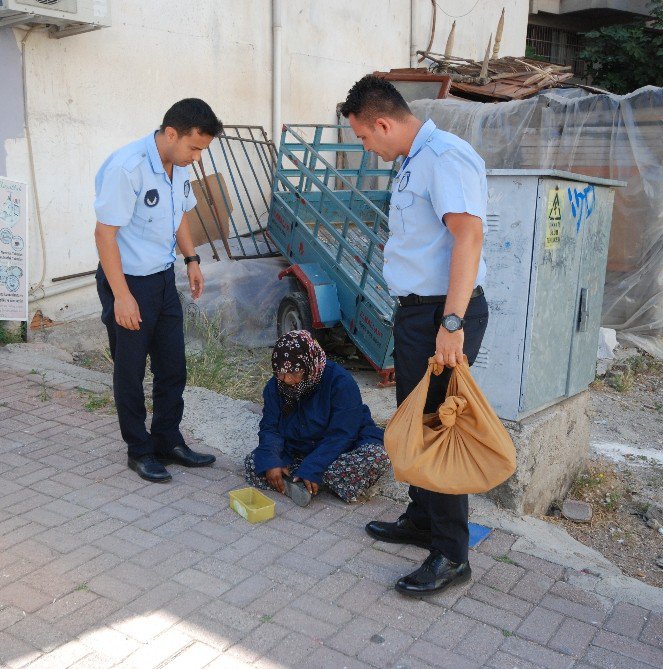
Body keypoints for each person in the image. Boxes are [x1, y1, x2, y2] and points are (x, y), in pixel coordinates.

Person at [341, 75, 490, 596]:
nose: (366, 146)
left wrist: (451, 324)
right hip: (416, 314)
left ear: (382, 123)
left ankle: (451, 554)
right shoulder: (411, 161)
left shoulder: (445, 156)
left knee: (437, 429)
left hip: (443, 316)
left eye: (363, 137)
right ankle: (423, 517)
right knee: (415, 419)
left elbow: (468, 235)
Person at [93, 98, 223, 483]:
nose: (197, 158)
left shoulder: (178, 166)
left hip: (164, 279)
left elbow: (179, 211)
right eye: (194, 147)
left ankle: (167, 439)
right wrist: (121, 296)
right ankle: (139, 449)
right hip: (128, 282)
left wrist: (191, 259)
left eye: (203, 150)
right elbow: (105, 235)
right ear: (171, 134)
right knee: (130, 373)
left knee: (172, 366)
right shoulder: (127, 167)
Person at [245, 330, 389, 505]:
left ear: (309, 364)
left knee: (376, 457)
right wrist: (271, 460)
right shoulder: (275, 386)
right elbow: (270, 427)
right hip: (298, 447)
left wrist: (314, 465)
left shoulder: (340, 382)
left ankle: (306, 477)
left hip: (341, 446)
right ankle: (307, 481)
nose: (287, 380)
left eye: (294, 373)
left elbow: (342, 434)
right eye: (280, 373)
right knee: (255, 463)